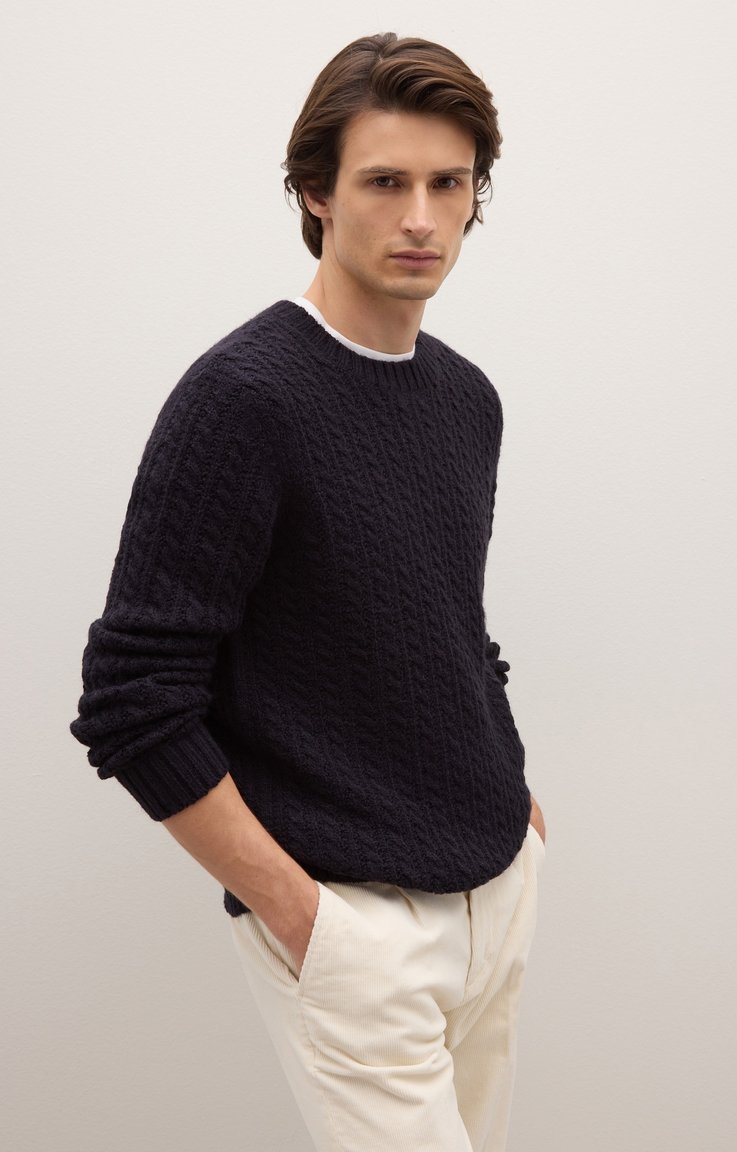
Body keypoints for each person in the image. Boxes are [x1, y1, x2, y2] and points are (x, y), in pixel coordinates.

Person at [69, 31, 547, 1152]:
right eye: (384, 182)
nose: (421, 218)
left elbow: (444, 621)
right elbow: (133, 697)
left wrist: (514, 791)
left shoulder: (465, 400)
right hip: (350, 920)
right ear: (315, 193)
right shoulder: (244, 399)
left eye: (449, 184)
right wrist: (299, 914)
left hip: (496, 885)